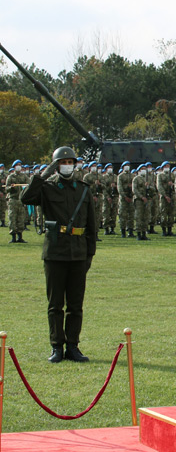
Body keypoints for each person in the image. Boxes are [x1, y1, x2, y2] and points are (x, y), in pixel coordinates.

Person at [21, 147, 97, 363]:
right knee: (55, 305)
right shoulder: (47, 188)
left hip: (78, 253)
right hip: (55, 253)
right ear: (56, 165)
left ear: (75, 164)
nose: (67, 166)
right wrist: (44, 174)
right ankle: (56, 346)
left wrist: (89, 254)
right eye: (62, 162)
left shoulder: (83, 189)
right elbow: (26, 198)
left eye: (70, 162)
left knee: (75, 305)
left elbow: (91, 226)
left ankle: (73, 346)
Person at [6, 160, 30, 243]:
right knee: (12, 218)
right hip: (13, 200)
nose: (19, 166)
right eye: (17, 165)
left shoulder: (24, 176)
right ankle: (13, 237)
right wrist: (11, 187)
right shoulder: (11, 176)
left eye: (20, 165)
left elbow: (29, 185)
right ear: (14, 167)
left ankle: (20, 237)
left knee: (21, 219)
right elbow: (6, 188)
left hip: (21, 200)